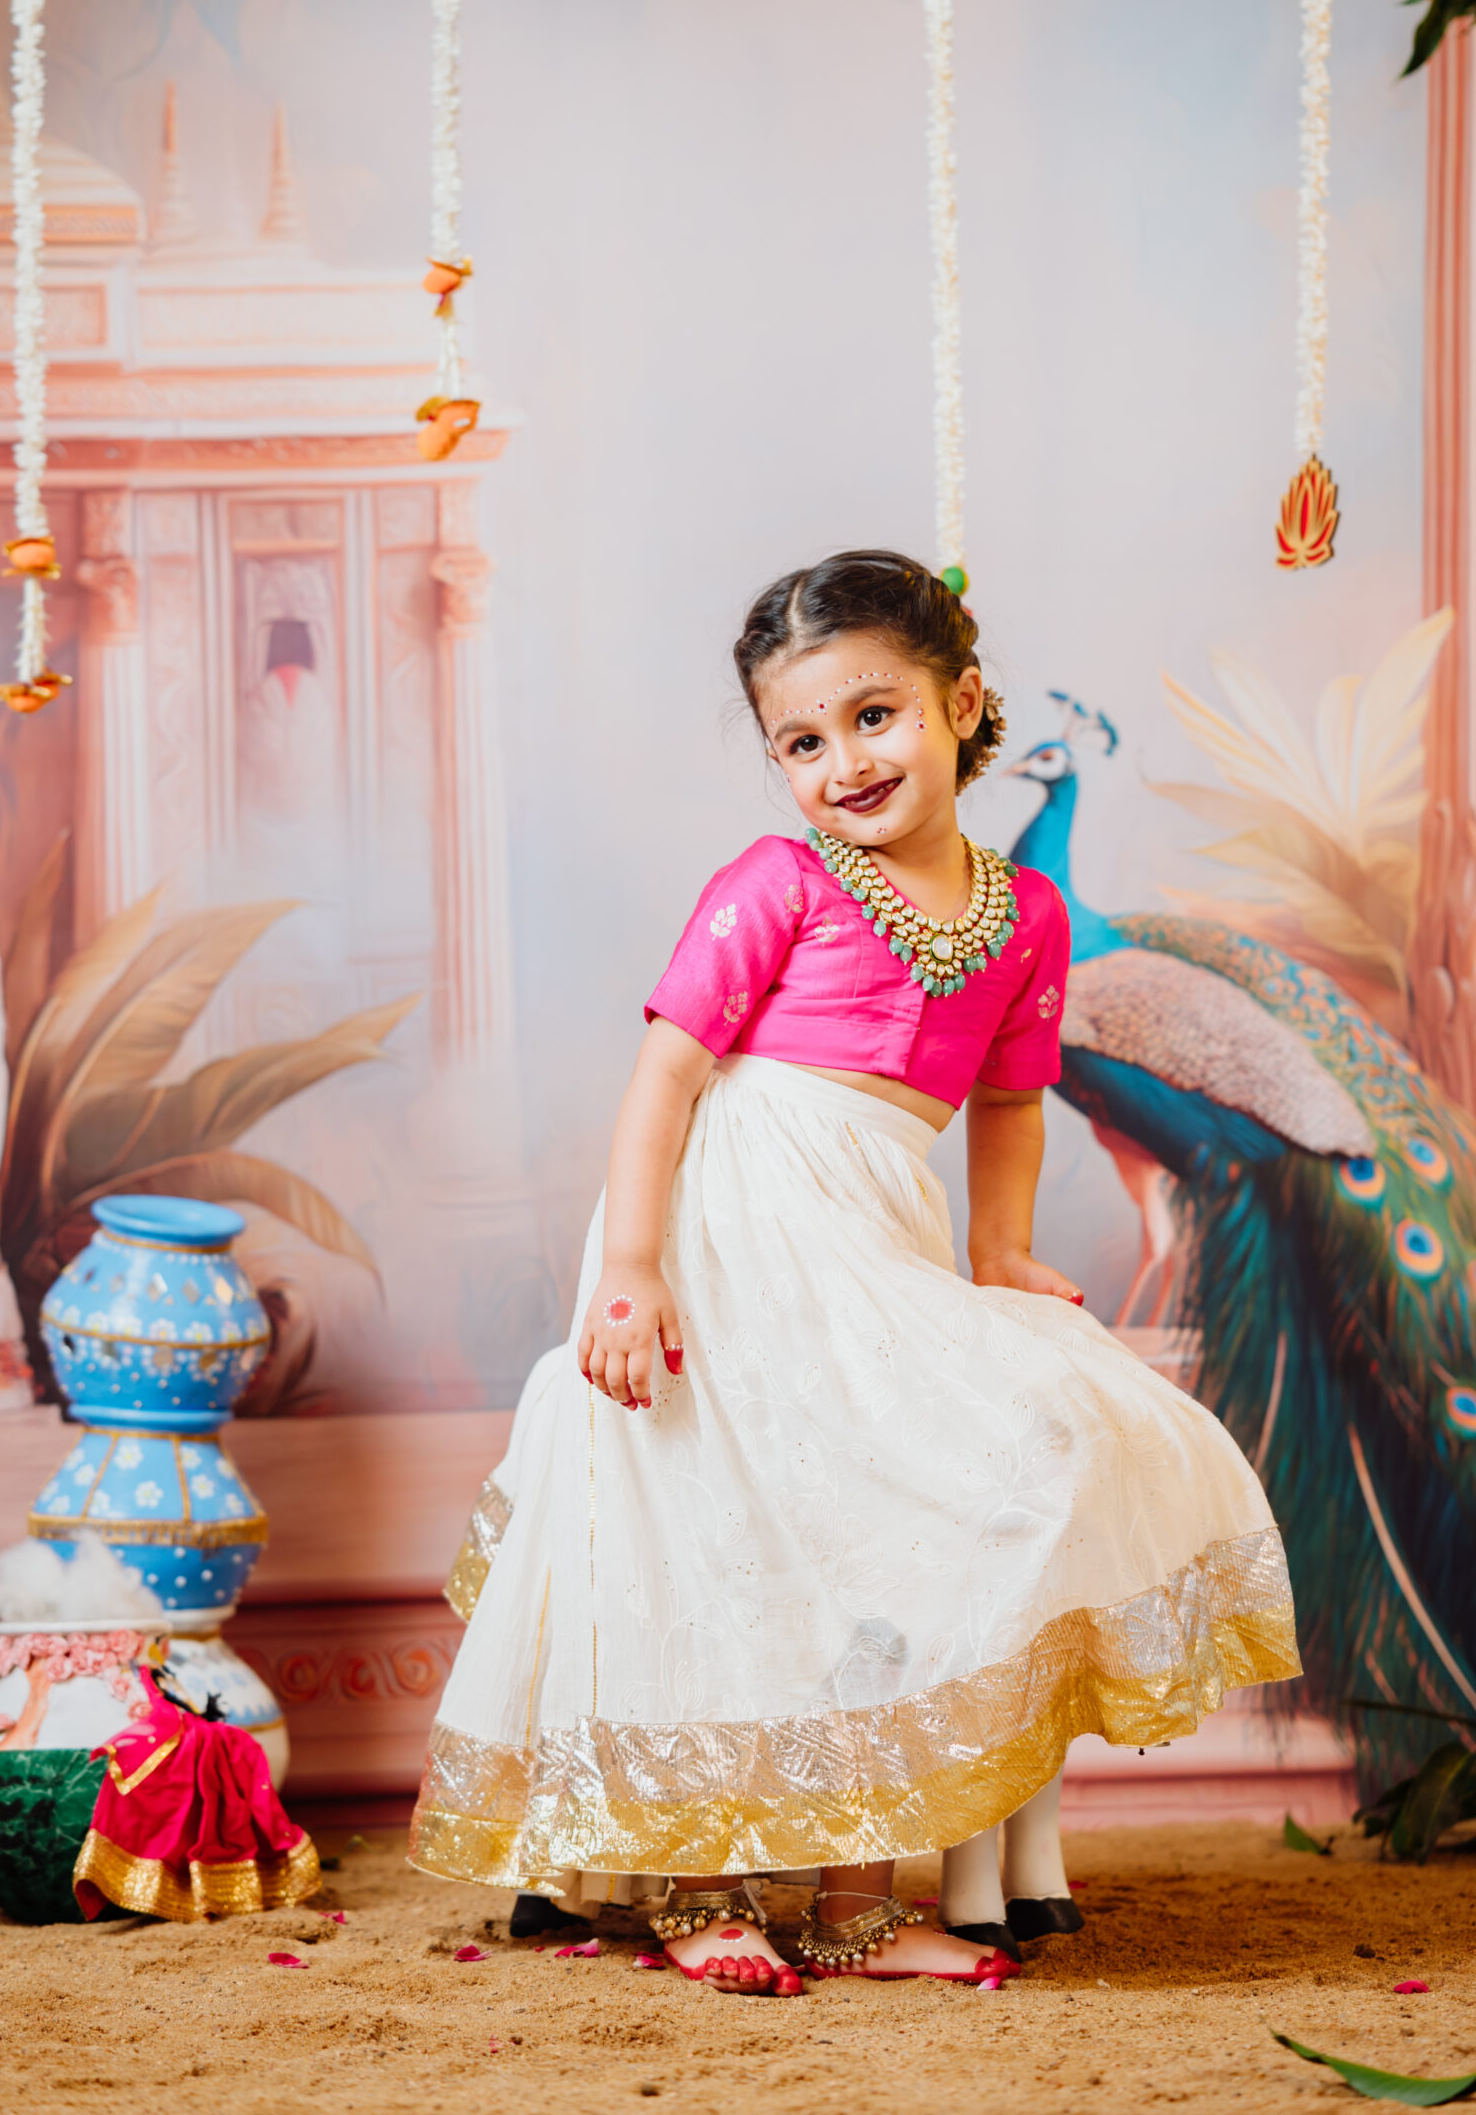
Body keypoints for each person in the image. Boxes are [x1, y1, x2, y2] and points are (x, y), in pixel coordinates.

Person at [409, 550, 1300, 1992]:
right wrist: (630, 1266)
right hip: (726, 1227)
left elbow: (1010, 1102)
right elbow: (668, 1073)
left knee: (889, 1522)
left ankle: (853, 1904)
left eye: (874, 716)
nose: (844, 763)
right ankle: (698, 1886)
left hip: (872, 1231)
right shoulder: (781, 880)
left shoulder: (1028, 916)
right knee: (707, 1517)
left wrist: (1000, 1251)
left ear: (963, 702)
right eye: (802, 743)